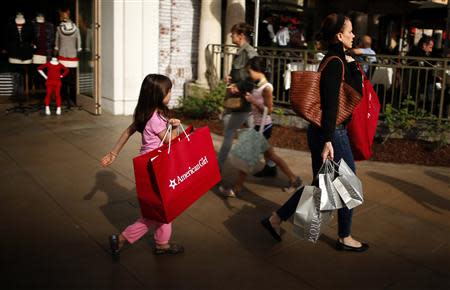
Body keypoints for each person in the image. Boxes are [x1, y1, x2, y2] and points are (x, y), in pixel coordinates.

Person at [261, 13, 369, 252]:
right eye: (350, 31)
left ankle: (276, 219)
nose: (354, 35)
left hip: (325, 132)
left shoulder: (338, 59)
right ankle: (345, 237)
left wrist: (351, 61)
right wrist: (329, 140)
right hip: (331, 133)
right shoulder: (334, 62)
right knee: (348, 182)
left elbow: (353, 90)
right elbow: (332, 105)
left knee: (321, 185)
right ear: (340, 35)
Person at [101, 74, 184, 259]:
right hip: (156, 167)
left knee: (162, 208)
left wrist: (113, 153)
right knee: (157, 211)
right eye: (168, 91)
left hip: (149, 164)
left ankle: (162, 243)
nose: (171, 93)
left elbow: (127, 131)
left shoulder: (146, 112)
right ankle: (121, 239)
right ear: (156, 95)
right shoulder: (155, 118)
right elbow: (170, 140)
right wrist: (177, 127)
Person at [219, 57, 302, 197]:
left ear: (257, 71)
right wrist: (235, 88)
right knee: (271, 156)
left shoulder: (267, 88)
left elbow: (269, 110)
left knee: (246, 158)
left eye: (250, 71)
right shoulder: (257, 84)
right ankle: (294, 179)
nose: (248, 74)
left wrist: (252, 101)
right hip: (260, 125)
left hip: (263, 127)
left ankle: (236, 189)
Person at [217, 22, 257, 171]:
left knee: (229, 133)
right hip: (239, 100)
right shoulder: (241, 52)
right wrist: (231, 78)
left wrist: (238, 86)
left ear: (241, 36)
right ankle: (270, 163)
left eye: (232, 34)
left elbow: (253, 78)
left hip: (242, 100)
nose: (230, 36)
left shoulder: (250, 53)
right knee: (254, 134)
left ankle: (217, 168)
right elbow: (240, 74)